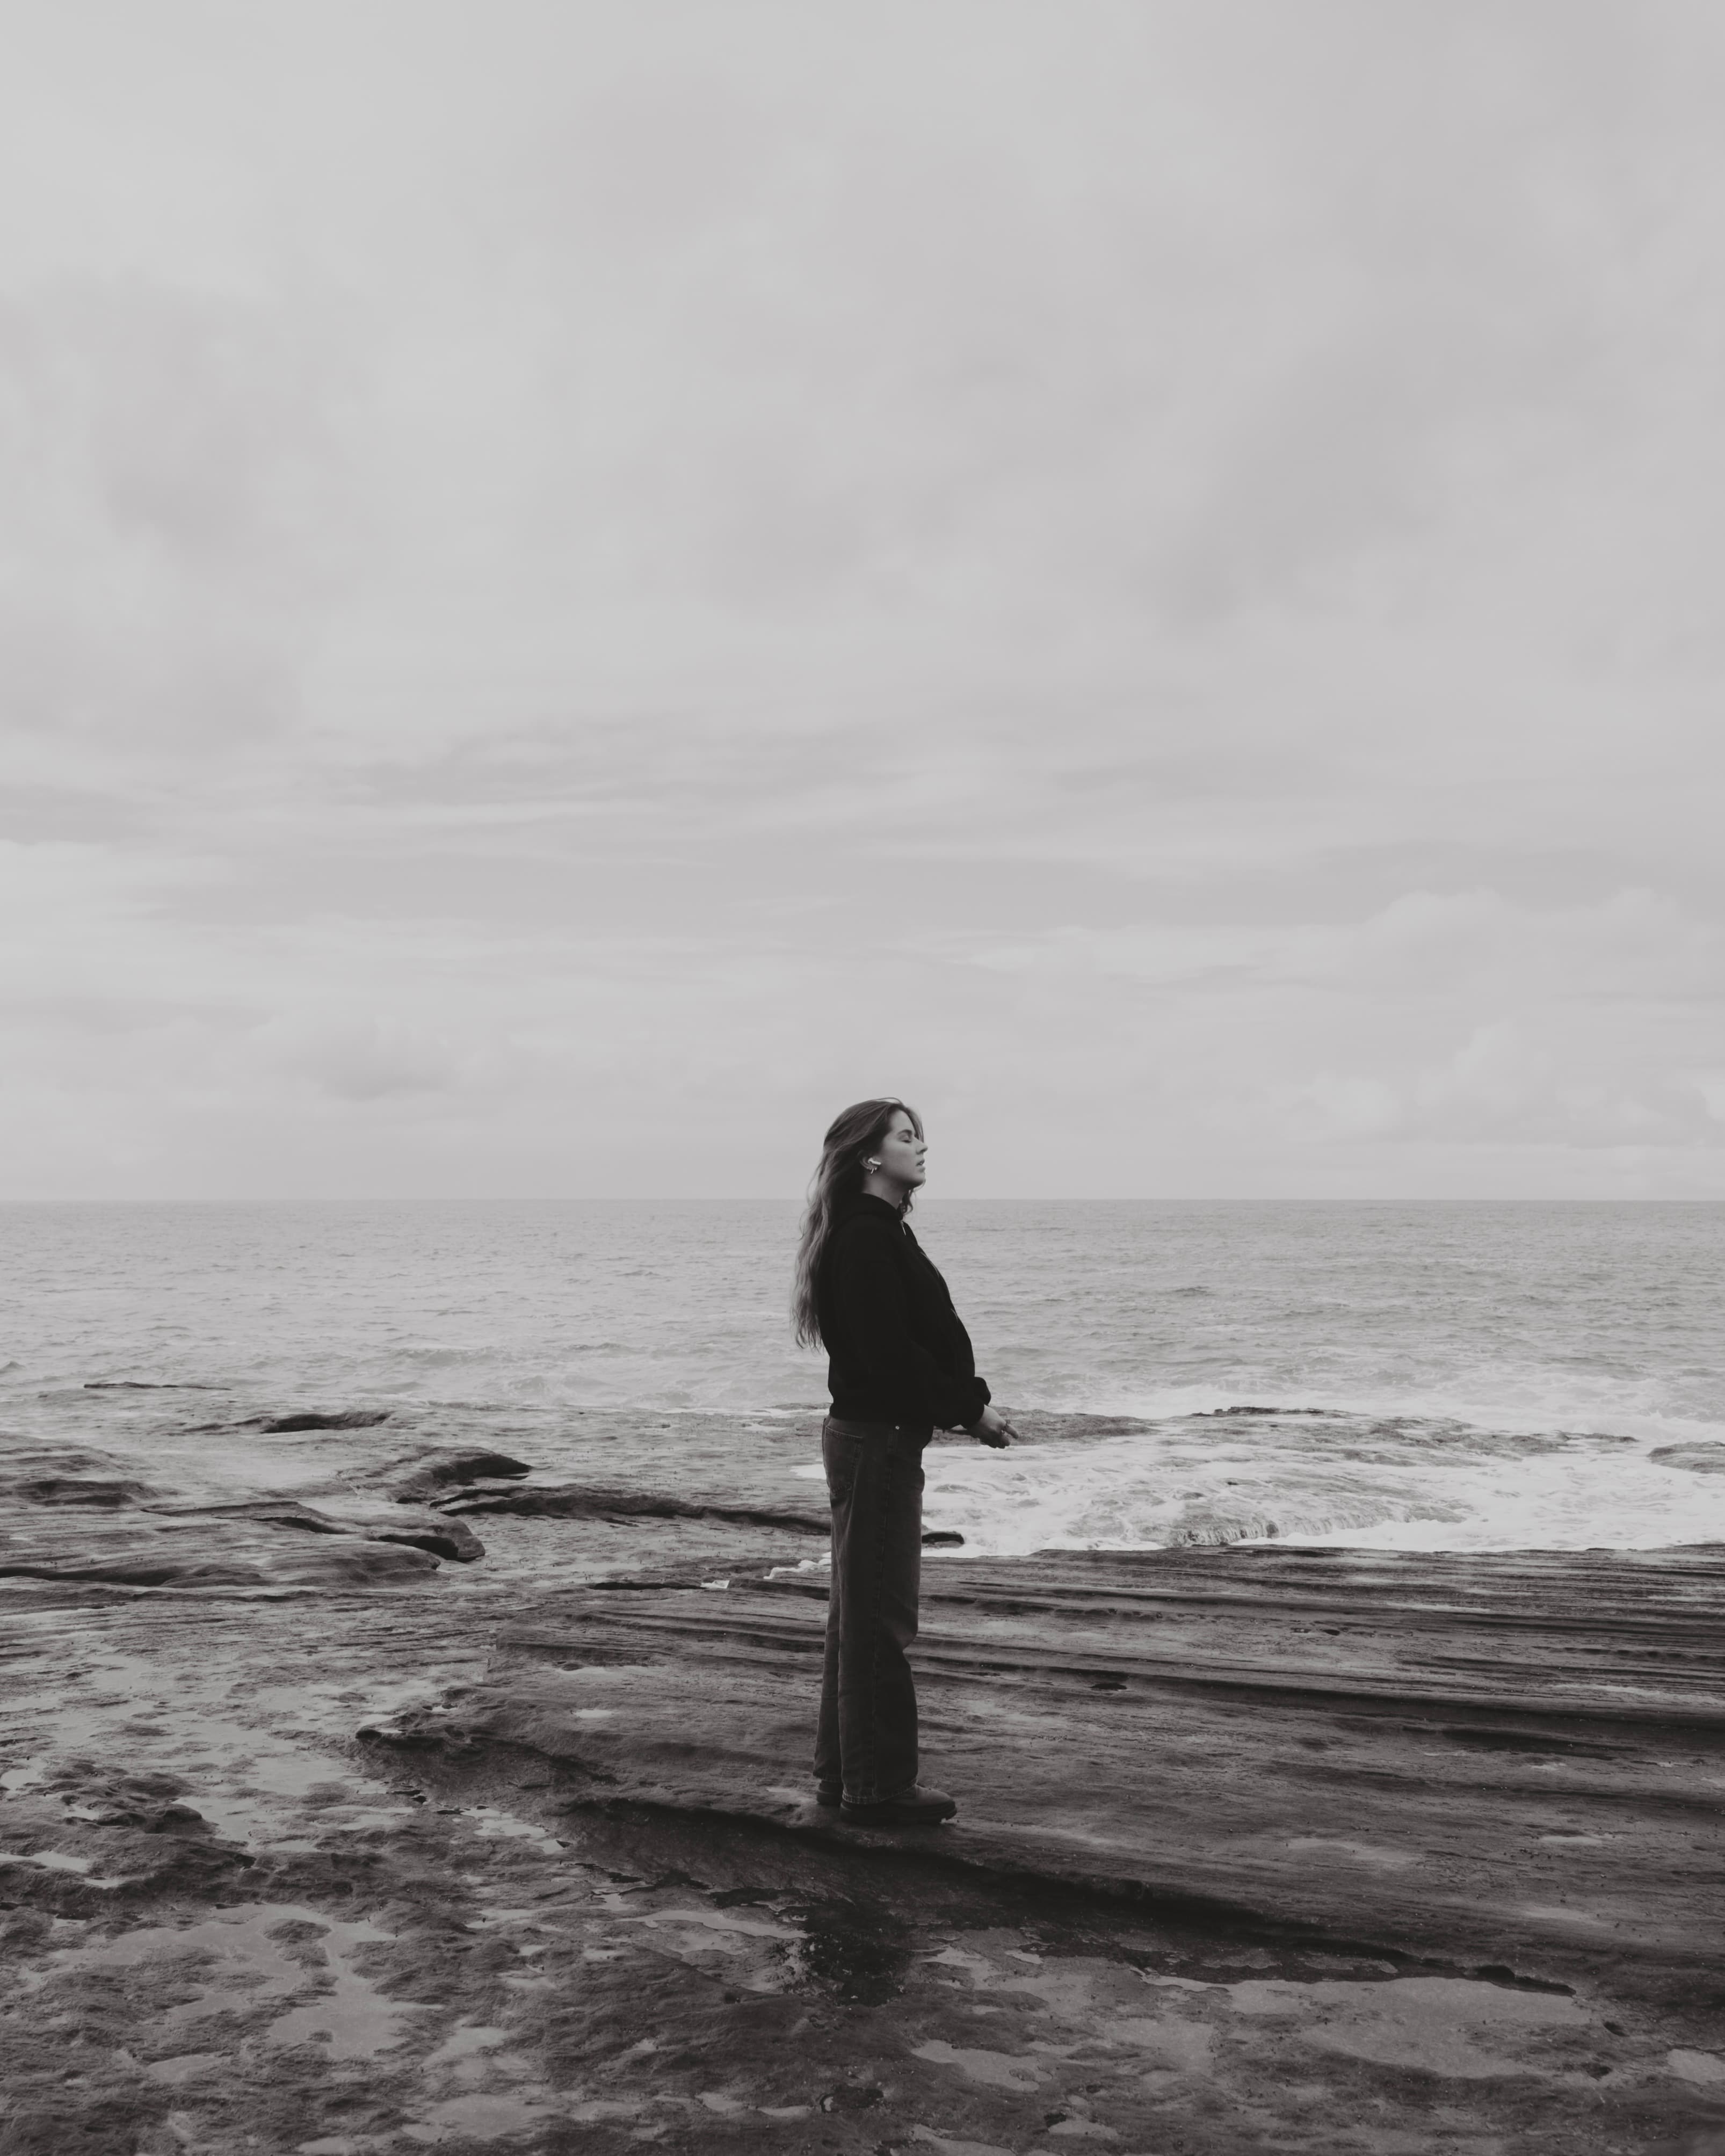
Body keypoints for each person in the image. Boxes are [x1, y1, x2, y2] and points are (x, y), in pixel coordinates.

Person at [790, 1097, 1018, 1826]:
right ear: (868, 1155)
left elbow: (909, 1345)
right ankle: (877, 1787)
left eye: (921, 1137)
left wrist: (960, 1401)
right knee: (879, 1619)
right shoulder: (865, 1239)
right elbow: (892, 1356)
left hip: (876, 1438)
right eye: (907, 1138)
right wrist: (970, 1410)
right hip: (876, 1440)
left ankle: (843, 1778)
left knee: (858, 1618)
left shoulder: (877, 1232)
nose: (922, 1149)